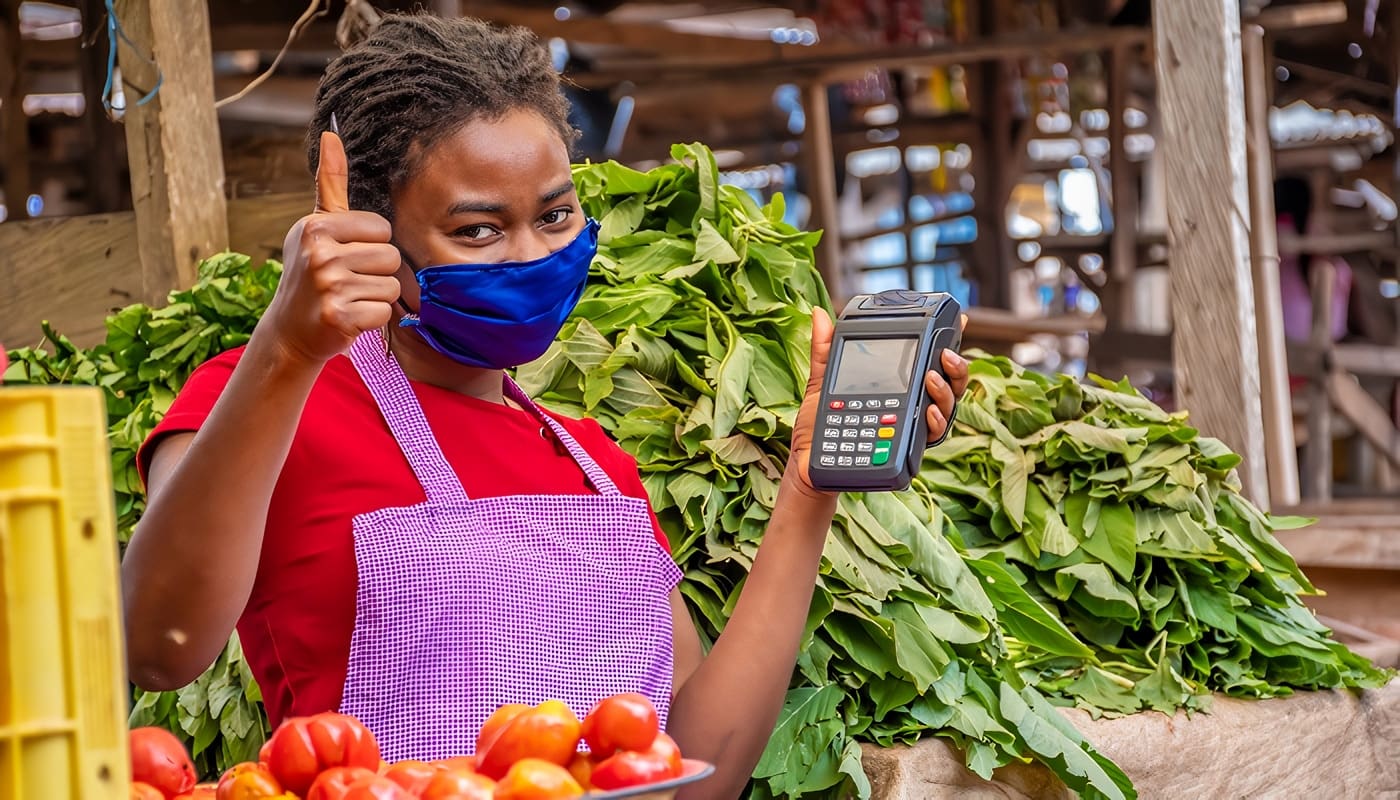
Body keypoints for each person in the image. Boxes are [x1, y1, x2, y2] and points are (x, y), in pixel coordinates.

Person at [120, 14, 969, 798]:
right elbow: (158, 646)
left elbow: (694, 772)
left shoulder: (594, 461)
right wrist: (287, 347)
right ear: (374, 234)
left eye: (557, 216)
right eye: (480, 230)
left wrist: (808, 490)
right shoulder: (276, 392)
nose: (533, 255)